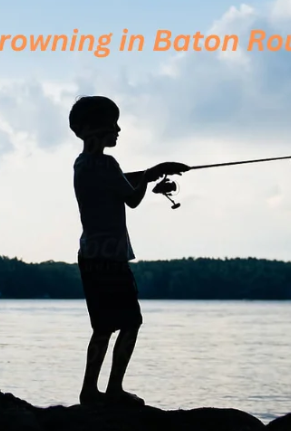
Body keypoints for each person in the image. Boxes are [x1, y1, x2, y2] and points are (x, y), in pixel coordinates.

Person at [69, 95, 189, 407]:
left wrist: (151, 173)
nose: (118, 129)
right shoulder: (106, 164)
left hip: (92, 256)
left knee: (103, 327)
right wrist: (152, 177)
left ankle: (90, 392)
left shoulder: (83, 164)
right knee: (130, 323)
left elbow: (119, 181)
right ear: (94, 129)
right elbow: (132, 198)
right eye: (113, 123)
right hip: (110, 258)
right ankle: (113, 390)